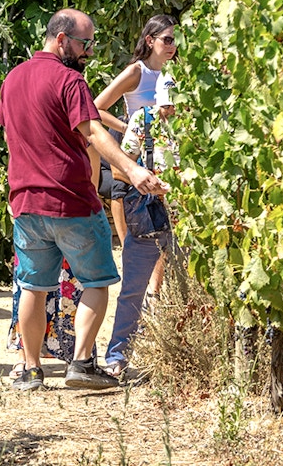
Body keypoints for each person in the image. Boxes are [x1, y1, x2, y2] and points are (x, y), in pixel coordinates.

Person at [0, 8, 165, 391]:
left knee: (33, 287)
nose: (89, 51)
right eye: (85, 43)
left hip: (26, 203)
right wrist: (133, 169)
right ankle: (83, 364)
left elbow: (10, 139)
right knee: (98, 281)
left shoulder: (12, 79)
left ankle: (30, 369)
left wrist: (15, 188)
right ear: (62, 40)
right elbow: (93, 130)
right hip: (71, 200)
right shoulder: (70, 81)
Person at [94, 15, 178, 295]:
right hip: (138, 151)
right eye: (166, 39)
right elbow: (97, 108)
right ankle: (150, 292)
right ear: (149, 40)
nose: (172, 46)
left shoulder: (175, 71)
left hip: (169, 153)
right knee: (146, 231)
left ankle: (156, 292)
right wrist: (130, 125)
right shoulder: (137, 71)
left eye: (175, 40)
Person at [105, 75, 182, 377]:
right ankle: (117, 356)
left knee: (192, 291)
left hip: (190, 221)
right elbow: (119, 169)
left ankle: (181, 357)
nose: (169, 114)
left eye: (173, 107)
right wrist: (145, 180)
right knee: (132, 290)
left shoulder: (202, 123)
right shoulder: (143, 120)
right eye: (165, 107)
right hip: (148, 216)